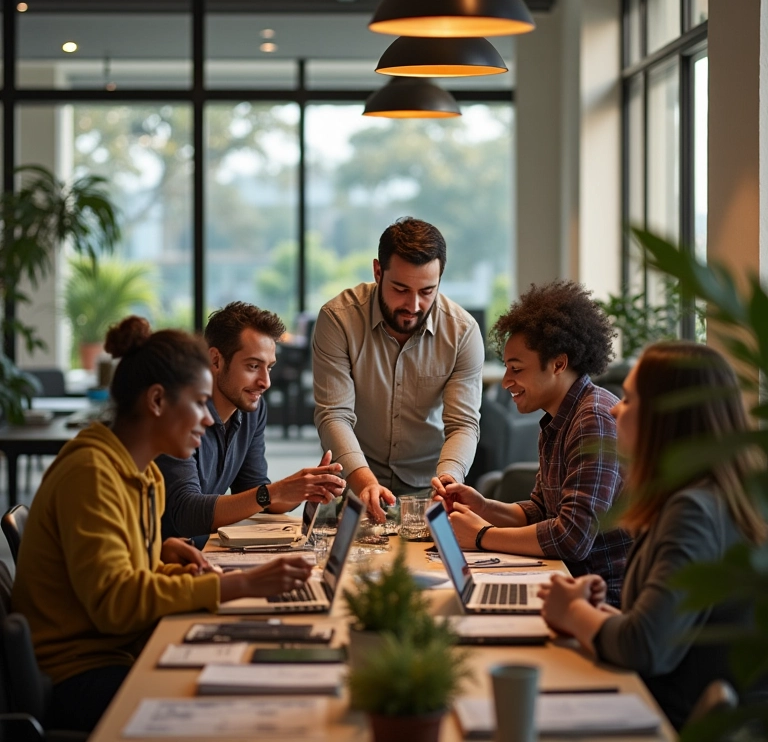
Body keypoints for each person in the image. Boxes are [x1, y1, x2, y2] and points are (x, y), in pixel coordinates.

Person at [11, 317, 313, 733]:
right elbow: (116, 604)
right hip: (80, 674)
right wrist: (238, 585)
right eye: (198, 403)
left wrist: (162, 557)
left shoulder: (145, 474)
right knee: (235, 714)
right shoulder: (92, 474)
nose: (209, 421)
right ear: (156, 401)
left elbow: (127, 572)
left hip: (124, 648)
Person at [538, 341, 768, 729]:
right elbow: (666, 630)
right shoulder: (700, 496)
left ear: (666, 417)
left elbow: (645, 648)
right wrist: (597, 615)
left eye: (628, 399)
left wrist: (575, 614)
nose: (614, 408)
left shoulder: (693, 510)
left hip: (668, 720)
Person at [433, 280, 631, 606]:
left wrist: (482, 536)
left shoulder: (593, 419)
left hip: (600, 598)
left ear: (558, 364)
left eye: (516, 369)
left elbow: (573, 537)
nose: (507, 381)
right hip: (564, 581)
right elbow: (541, 511)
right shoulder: (559, 418)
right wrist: (484, 507)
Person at [313, 217, 485, 521]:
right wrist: (365, 482)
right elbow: (334, 414)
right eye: (401, 289)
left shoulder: (463, 332)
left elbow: (462, 425)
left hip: (427, 489)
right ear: (378, 271)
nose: (414, 305)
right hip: (355, 478)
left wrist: (449, 478)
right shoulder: (339, 319)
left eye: (427, 291)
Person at [158, 302, 346, 544]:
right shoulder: (180, 413)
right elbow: (185, 513)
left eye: (269, 367)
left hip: (205, 552)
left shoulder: (251, 411)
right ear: (215, 360)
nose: (265, 382)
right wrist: (274, 492)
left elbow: (254, 490)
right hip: (160, 563)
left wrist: (304, 488)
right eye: (253, 366)